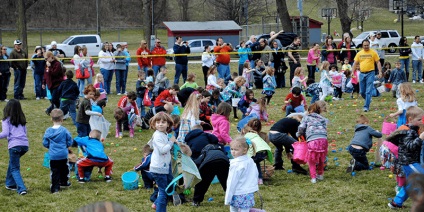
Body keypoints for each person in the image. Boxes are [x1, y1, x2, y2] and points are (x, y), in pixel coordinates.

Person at [387, 107, 424, 209]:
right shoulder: (407, 132)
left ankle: (396, 202)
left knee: (411, 184)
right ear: (411, 119)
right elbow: (410, 146)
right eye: (419, 120)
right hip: (409, 162)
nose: (421, 121)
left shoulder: (414, 130)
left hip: (411, 161)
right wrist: (420, 138)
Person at [185, 125, 229, 206]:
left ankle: (196, 201)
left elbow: (196, 161)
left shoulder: (189, 141)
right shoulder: (206, 135)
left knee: (203, 182)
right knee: (227, 181)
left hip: (208, 161)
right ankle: (232, 198)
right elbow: (215, 139)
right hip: (223, 160)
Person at [147, 112, 176, 211]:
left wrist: (172, 141)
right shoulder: (157, 136)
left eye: (163, 122)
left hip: (165, 166)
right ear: (154, 124)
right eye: (158, 122)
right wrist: (171, 142)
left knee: (170, 185)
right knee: (163, 191)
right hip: (159, 168)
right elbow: (163, 149)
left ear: (168, 124)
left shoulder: (164, 134)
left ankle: (156, 203)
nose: (160, 124)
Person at [0, 99, 29, 195]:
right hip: (24, 146)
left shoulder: (6, 120)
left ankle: (22, 189)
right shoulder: (22, 119)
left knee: (15, 168)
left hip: (14, 146)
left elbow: (5, 133)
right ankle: (9, 183)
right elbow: (25, 132)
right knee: (12, 163)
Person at [297, 102, 328, 184]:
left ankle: (313, 177)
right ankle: (320, 174)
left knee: (311, 160)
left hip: (313, 140)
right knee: (321, 158)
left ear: (310, 111)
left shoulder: (307, 117)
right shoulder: (322, 118)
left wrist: (298, 134)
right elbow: (325, 128)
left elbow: (301, 127)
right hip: (323, 139)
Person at [224, 136, 259, 212]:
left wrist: (228, 198)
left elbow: (231, 181)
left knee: (233, 209)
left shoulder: (236, 164)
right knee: (245, 210)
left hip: (238, 192)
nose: (233, 152)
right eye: (232, 149)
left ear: (244, 150)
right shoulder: (250, 161)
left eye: (236, 150)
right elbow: (255, 175)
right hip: (248, 192)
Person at [42, 109, 72, 193]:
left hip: (53, 155)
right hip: (63, 154)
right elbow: (69, 140)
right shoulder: (64, 130)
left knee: (55, 171)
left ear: (51, 119)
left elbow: (45, 142)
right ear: (62, 119)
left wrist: (49, 147)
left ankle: (55, 187)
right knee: (64, 168)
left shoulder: (48, 131)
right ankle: (64, 182)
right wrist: (66, 146)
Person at [352, 39, 383, 112]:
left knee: (368, 91)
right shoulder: (359, 53)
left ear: (369, 45)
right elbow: (355, 63)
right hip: (362, 73)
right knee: (362, 91)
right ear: (362, 46)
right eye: (364, 45)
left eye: (367, 45)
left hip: (370, 73)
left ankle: (366, 106)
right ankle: (368, 99)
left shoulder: (373, 52)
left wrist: (380, 72)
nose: (366, 47)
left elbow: (378, 62)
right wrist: (352, 72)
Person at [43, 51, 65, 116]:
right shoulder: (47, 65)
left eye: (46, 58)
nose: (46, 60)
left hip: (57, 84)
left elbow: (54, 73)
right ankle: (57, 110)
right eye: (45, 59)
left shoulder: (57, 64)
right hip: (50, 84)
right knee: (53, 99)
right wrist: (43, 82)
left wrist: (49, 67)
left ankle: (59, 110)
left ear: (51, 57)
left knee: (54, 99)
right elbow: (46, 74)